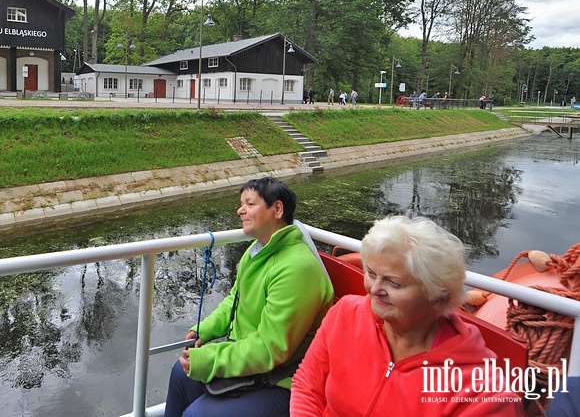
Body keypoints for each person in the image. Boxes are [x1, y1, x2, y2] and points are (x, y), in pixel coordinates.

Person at [290, 216, 524, 416]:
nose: (374, 289)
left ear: (439, 296)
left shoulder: (480, 391)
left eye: (393, 282)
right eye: (371, 273)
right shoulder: (346, 313)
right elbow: (307, 385)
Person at [164, 177, 334, 417]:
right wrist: (204, 329)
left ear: (277, 209)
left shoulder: (297, 268)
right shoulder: (257, 251)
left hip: (285, 380)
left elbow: (270, 348)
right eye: (241, 204)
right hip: (256, 367)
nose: (240, 210)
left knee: (198, 414)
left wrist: (209, 359)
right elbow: (235, 299)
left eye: (249, 204)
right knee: (180, 375)